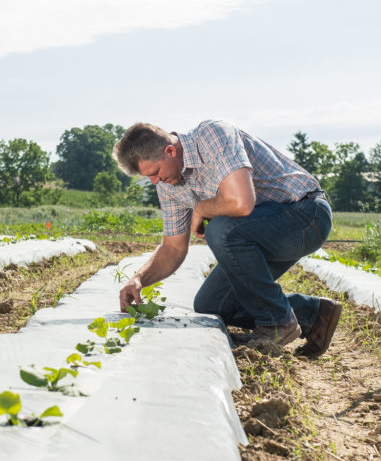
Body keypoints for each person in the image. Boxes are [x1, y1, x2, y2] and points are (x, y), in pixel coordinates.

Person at [113, 119, 342, 357]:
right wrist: (138, 279)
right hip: (262, 235)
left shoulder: (211, 136)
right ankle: (314, 314)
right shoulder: (169, 185)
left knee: (219, 229)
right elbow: (173, 248)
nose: (154, 182)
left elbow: (241, 203)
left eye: (155, 173)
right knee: (212, 305)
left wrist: (201, 209)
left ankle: (279, 321)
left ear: (170, 151)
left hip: (305, 216)